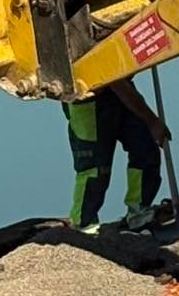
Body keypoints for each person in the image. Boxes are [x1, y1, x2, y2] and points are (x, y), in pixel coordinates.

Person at [62, 78, 169, 232]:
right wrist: (152, 121)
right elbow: (115, 81)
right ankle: (83, 226)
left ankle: (139, 214)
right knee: (95, 169)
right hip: (87, 99)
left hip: (120, 91)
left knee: (145, 150)